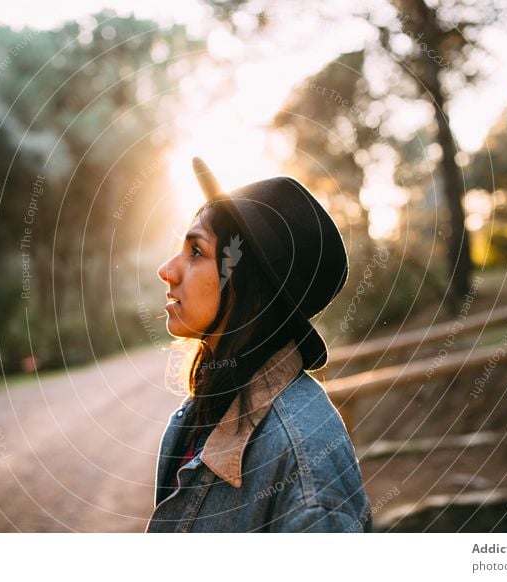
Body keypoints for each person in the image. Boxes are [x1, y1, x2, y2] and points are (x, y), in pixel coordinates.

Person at [146, 157, 373, 533]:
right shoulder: (200, 411)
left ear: (248, 285)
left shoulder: (305, 466)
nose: (167, 271)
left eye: (197, 251)